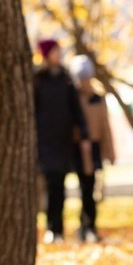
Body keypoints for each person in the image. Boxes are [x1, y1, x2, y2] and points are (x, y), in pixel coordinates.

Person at [32, 39, 89, 243]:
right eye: (56, 51)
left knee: (61, 186)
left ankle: (60, 230)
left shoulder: (66, 79)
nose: (59, 54)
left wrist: (83, 133)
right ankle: (51, 227)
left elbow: (76, 109)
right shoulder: (37, 79)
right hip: (45, 141)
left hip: (63, 141)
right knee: (51, 183)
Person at [67, 56, 114, 242]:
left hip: (93, 148)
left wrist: (110, 152)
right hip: (77, 147)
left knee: (91, 188)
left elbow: (105, 126)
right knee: (84, 187)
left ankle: (90, 226)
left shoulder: (98, 98)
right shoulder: (72, 98)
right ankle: (84, 226)